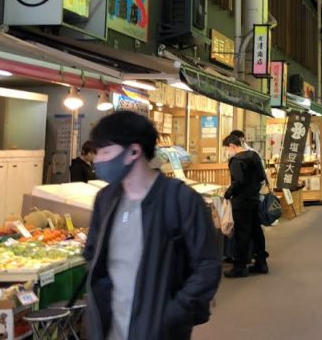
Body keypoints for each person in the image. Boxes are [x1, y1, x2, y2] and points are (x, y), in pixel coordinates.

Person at [83, 111, 220, 340]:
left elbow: (207, 265)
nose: (98, 160)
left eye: (106, 152)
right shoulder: (105, 199)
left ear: (134, 152)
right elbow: (93, 253)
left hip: (159, 332)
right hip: (110, 330)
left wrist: (173, 314)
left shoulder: (181, 200)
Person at [223, 131, 269, 277]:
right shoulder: (254, 156)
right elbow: (262, 177)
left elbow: (238, 182)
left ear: (231, 146)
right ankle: (261, 263)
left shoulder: (236, 161)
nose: (227, 152)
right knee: (256, 232)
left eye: (226, 149)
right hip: (254, 199)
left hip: (241, 202)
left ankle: (240, 267)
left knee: (242, 234)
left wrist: (228, 193)